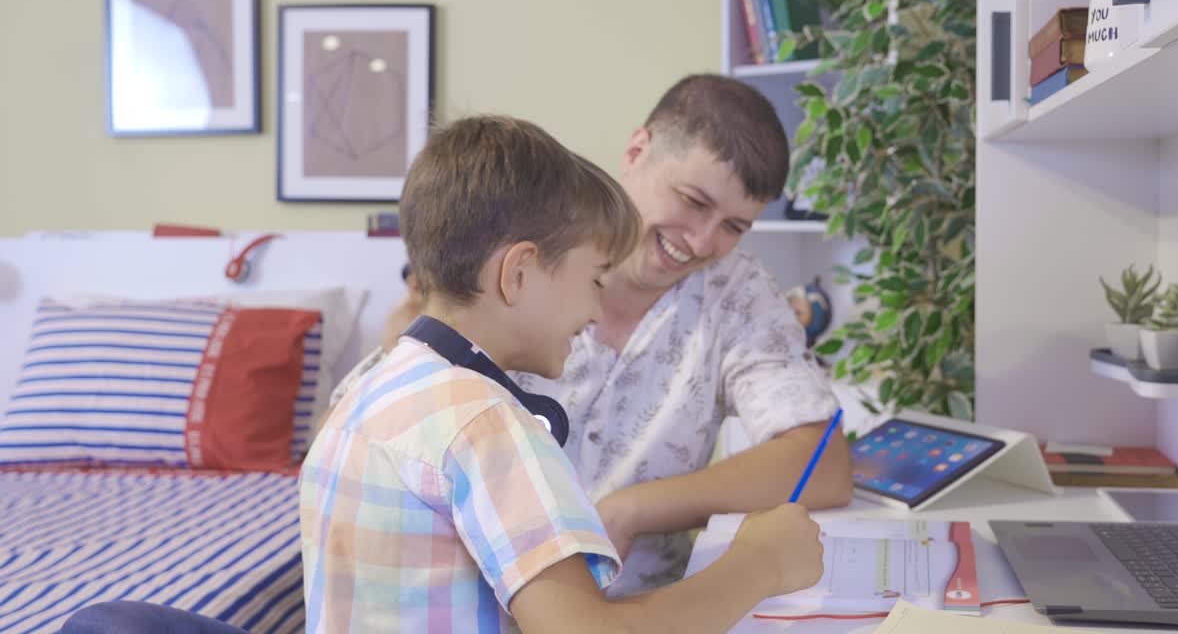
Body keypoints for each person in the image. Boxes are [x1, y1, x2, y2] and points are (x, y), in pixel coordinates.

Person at [299, 115, 824, 633]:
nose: (596, 311)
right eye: (595, 279)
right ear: (519, 272)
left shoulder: (362, 399)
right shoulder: (488, 427)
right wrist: (761, 563)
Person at [512, 74, 853, 594]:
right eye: (694, 201)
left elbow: (823, 463)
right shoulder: (524, 248)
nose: (700, 242)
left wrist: (633, 509)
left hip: (646, 614)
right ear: (637, 149)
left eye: (734, 226)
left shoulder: (735, 291)